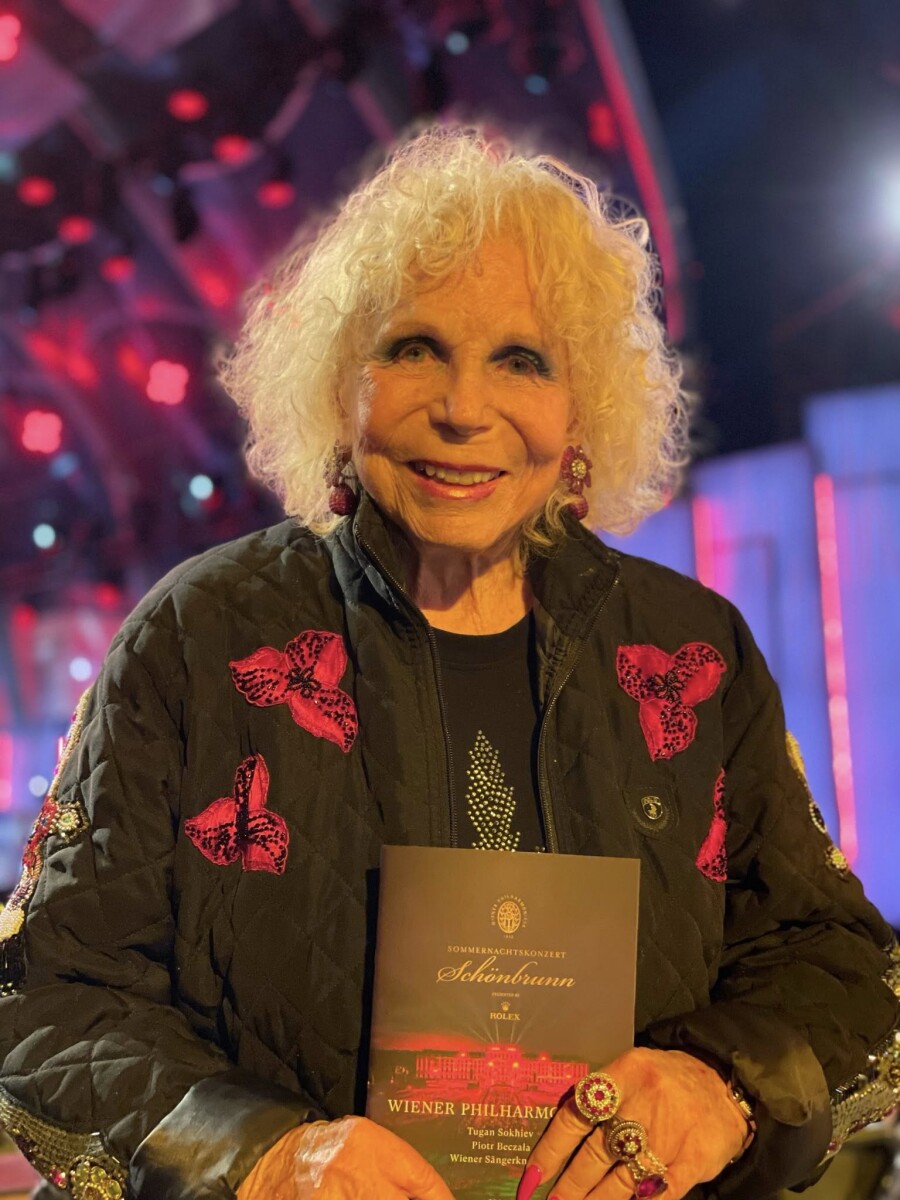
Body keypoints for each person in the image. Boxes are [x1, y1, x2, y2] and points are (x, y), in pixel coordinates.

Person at [0, 124, 897, 1200]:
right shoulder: (198, 635)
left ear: (581, 409)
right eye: (413, 347)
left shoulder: (691, 650)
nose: (465, 409)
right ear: (343, 385)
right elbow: (44, 998)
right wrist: (262, 1156)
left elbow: (844, 964)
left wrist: (724, 1085)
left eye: (521, 360)